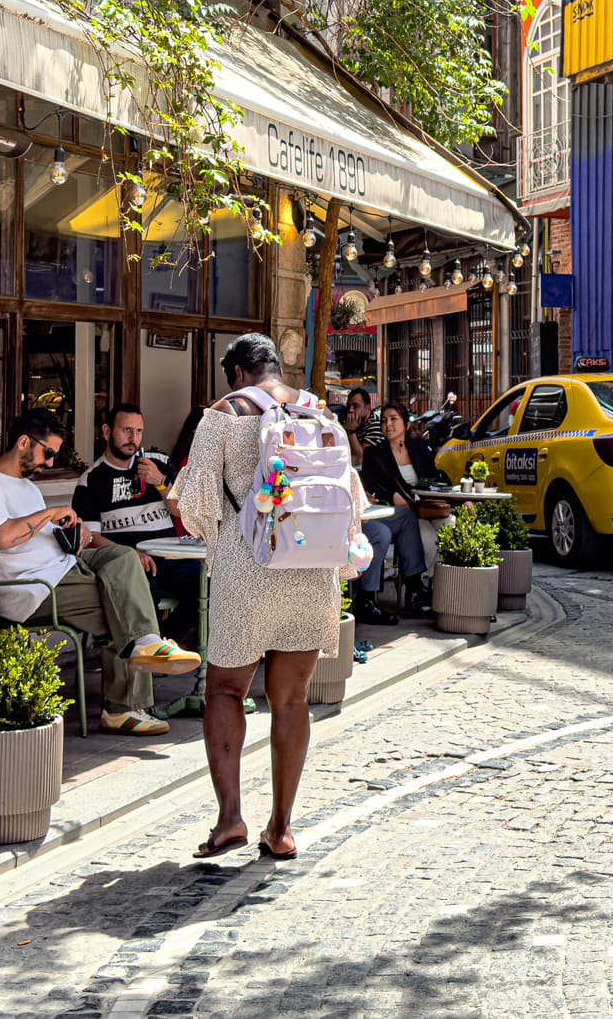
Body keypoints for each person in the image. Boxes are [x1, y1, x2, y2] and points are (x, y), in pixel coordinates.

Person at [168, 332, 366, 861]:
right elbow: (354, 499)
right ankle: (281, 829)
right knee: (292, 699)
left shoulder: (223, 414)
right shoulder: (316, 411)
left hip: (247, 570)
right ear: (275, 367)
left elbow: (195, 508)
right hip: (310, 570)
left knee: (226, 692)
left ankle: (230, 819)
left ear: (236, 372)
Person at [0, 410, 200, 737]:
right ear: (24, 442)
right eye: (49, 453)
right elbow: (0, 537)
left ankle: (147, 643)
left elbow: (41, 535)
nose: (50, 463)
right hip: (35, 588)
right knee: (121, 606)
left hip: (66, 568)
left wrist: (76, 533)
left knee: (123, 557)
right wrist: (51, 513)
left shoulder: (24, 486)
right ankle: (124, 707)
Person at [71, 403, 198, 643]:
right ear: (107, 432)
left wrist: (160, 483)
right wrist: (128, 555)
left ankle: (162, 642)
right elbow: (89, 537)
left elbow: (183, 512)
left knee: (210, 585)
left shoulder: (157, 463)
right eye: (126, 430)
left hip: (171, 558)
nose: (134, 438)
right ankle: (150, 648)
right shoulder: (91, 481)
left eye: (139, 431)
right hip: (132, 563)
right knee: (138, 590)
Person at [358, 401, 442, 619]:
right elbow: (370, 485)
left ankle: (438, 592)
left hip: (424, 507)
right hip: (392, 512)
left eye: (394, 419)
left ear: (405, 424)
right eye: (384, 420)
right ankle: (413, 589)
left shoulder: (419, 448)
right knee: (409, 525)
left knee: (447, 525)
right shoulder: (375, 453)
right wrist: (390, 496)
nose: (388, 425)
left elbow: (434, 477)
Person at [341, 388, 379, 469]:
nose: (350, 410)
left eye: (355, 406)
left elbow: (361, 459)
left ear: (367, 408)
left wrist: (350, 432)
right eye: (349, 406)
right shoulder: (351, 423)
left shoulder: (375, 424)